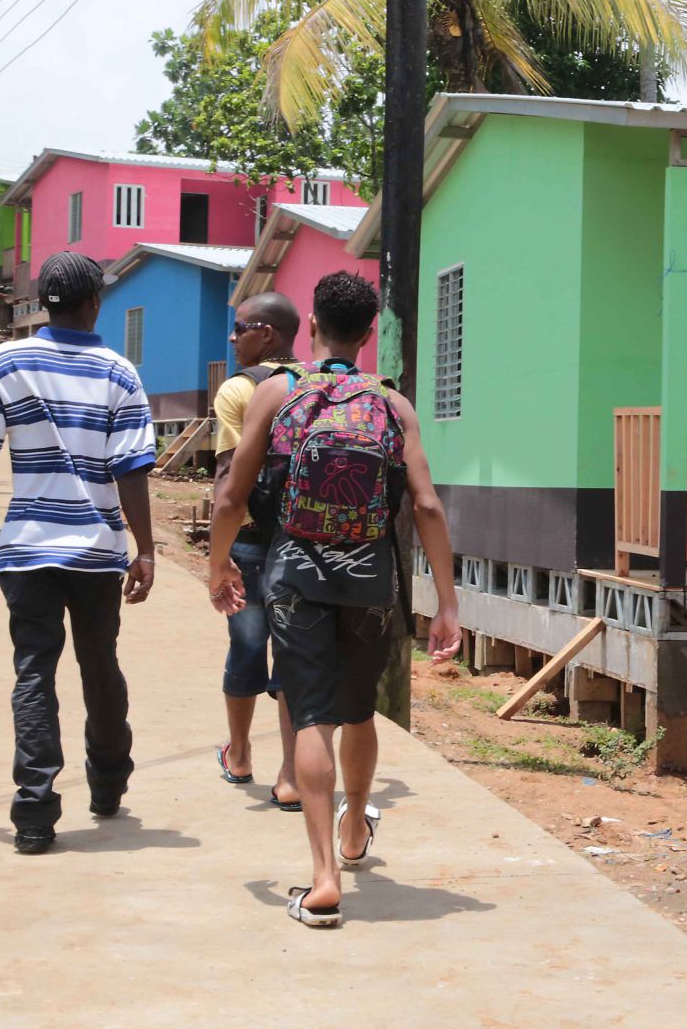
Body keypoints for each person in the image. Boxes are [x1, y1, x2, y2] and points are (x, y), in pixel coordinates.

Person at [212, 271, 461, 928]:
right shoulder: (392, 403)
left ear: (313, 326)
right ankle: (355, 826)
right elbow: (428, 505)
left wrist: (218, 567)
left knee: (312, 714)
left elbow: (232, 495)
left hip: (295, 574)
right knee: (358, 714)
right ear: (369, 334)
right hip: (372, 580)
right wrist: (448, 604)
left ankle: (323, 878)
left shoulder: (277, 392)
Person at [0, 251, 158, 856]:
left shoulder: (6, 362)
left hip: (26, 550)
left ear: (44, 301)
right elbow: (131, 471)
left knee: (33, 672)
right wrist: (145, 549)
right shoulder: (119, 371)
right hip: (96, 552)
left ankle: (35, 815)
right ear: (95, 302)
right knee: (100, 665)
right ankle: (109, 783)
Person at [205, 290, 304, 808]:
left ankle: (240, 755)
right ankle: (290, 773)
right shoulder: (315, 387)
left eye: (240, 326)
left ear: (266, 332)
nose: (233, 336)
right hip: (302, 545)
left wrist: (218, 558)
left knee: (245, 646)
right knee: (294, 653)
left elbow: (229, 482)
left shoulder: (240, 390)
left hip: (248, 541)